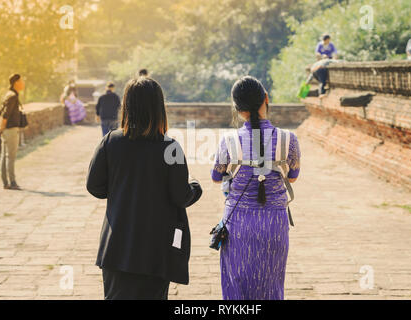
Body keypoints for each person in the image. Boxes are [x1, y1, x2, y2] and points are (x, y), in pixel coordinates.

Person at [87, 77, 202, 300]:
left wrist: (123, 187)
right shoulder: (170, 148)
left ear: (126, 106)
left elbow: (95, 187)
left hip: (117, 248)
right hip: (155, 252)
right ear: (159, 108)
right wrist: (195, 186)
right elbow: (181, 196)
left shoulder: (110, 142)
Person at [211, 76, 301, 300]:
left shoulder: (229, 140)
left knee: (236, 285)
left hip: (238, 223)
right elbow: (292, 177)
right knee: (271, 284)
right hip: (275, 223)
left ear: (237, 108)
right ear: (266, 99)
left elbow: (215, 176)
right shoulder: (288, 139)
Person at [0, 74, 25, 190]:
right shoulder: (13, 96)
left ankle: (5, 182)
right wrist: (1, 128)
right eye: (21, 81)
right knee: (11, 157)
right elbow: (5, 114)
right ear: (16, 83)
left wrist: (1, 129)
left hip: (6, 130)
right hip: (11, 130)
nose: (23, 83)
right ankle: (12, 181)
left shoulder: (8, 94)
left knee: (4, 156)